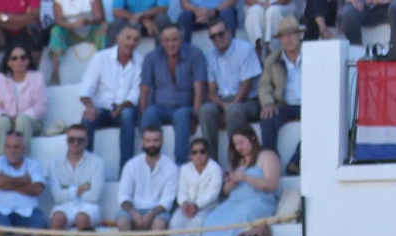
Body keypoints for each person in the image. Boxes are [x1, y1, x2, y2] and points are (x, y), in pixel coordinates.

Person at [137, 24, 205, 167]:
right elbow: (145, 89)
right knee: (149, 114)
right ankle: (149, 161)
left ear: (182, 39)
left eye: (174, 39)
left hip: (184, 107)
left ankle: (181, 163)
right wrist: (142, 114)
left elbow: (199, 87)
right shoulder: (151, 57)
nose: (171, 44)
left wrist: (196, 116)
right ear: (161, 41)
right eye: (166, 40)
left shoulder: (195, 54)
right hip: (160, 107)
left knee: (181, 116)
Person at [203, 127, 278, 236]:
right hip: (235, 202)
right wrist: (230, 184)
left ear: (253, 139)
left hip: (258, 201)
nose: (238, 147)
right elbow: (226, 192)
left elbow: (271, 185)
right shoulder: (237, 161)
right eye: (235, 144)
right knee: (211, 219)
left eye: (241, 142)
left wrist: (245, 177)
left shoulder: (267, 156)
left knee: (245, 215)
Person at [198, 19, 261, 166]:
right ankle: (211, 163)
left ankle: (237, 161)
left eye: (221, 34)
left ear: (229, 32)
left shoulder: (245, 49)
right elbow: (212, 92)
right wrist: (223, 105)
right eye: (213, 36)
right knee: (206, 110)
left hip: (248, 101)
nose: (217, 38)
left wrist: (231, 106)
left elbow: (247, 84)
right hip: (223, 101)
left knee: (233, 110)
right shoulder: (209, 57)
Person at [78, 23, 141, 169]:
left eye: (135, 39)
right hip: (101, 110)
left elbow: (135, 94)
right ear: (118, 38)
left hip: (124, 109)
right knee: (87, 118)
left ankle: (126, 169)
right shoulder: (101, 58)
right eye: (128, 38)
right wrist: (90, 106)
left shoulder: (140, 62)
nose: (131, 42)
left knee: (127, 115)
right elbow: (85, 88)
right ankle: (84, 168)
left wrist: (121, 107)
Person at [0, 130, 48, 236]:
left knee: (42, 234)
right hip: (0, 212)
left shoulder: (33, 164)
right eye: (8, 147)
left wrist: (8, 184)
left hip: (29, 211)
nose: (11, 151)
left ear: (24, 149)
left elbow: (37, 188)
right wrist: (24, 180)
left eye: (16, 147)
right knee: (0, 234)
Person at [45, 125, 103, 236]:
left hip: (89, 206)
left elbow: (95, 196)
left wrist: (68, 189)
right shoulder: (55, 163)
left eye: (80, 140)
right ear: (67, 141)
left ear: (86, 141)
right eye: (72, 140)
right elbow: (57, 196)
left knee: (81, 217)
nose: (75, 143)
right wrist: (81, 188)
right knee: (57, 218)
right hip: (64, 205)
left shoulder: (97, 162)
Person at [116, 126, 177, 236]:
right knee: (122, 222)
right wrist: (134, 214)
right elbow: (123, 197)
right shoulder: (131, 165)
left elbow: (167, 201)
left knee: (160, 224)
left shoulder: (171, 167)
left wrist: (151, 215)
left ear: (162, 142)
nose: (152, 144)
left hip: (158, 212)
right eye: (148, 141)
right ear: (142, 142)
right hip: (134, 210)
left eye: (155, 140)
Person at [257, 19, 301, 175]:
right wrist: (268, 102)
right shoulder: (273, 60)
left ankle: (296, 160)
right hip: (286, 104)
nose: (287, 40)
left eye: (291, 35)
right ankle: (271, 166)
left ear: (299, 35)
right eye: (283, 37)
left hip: (310, 104)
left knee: (322, 120)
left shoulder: (312, 54)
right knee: (267, 118)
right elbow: (264, 85)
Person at [0, 45, 47, 157]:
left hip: (31, 122)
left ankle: (23, 164)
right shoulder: (0, 79)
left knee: (22, 121)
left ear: (28, 61)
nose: (19, 61)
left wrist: (19, 117)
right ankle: (0, 166)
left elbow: (40, 108)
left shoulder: (37, 78)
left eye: (23, 57)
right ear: (8, 62)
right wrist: (9, 117)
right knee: (2, 122)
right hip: (6, 122)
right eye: (14, 58)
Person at [169, 136, 221, 236]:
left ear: (207, 153)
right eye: (194, 152)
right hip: (187, 207)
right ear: (190, 155)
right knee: (175, 220)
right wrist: (186, 203)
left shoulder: (215, 168)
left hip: (208, 207)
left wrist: (196, 206)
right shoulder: (185, 169)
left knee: (199, 221)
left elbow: (213, 193)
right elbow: (182, 191)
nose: (199, 155)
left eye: (202, 151)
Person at [0, 0, 47, 78]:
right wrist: (21, 20)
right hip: (2, 34)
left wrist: (4, 17)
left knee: (35, 31)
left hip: (24, 31)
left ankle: (32, 76)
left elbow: (33, 17)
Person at [44, 0, 104, 85]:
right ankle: (55, 74)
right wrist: (73, 25)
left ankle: (104, 71)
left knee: (103, 28)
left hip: (90, 29)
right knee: (56, 31)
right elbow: (59, 20)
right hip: (70, 31)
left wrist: (88, 21)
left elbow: (99, 16)